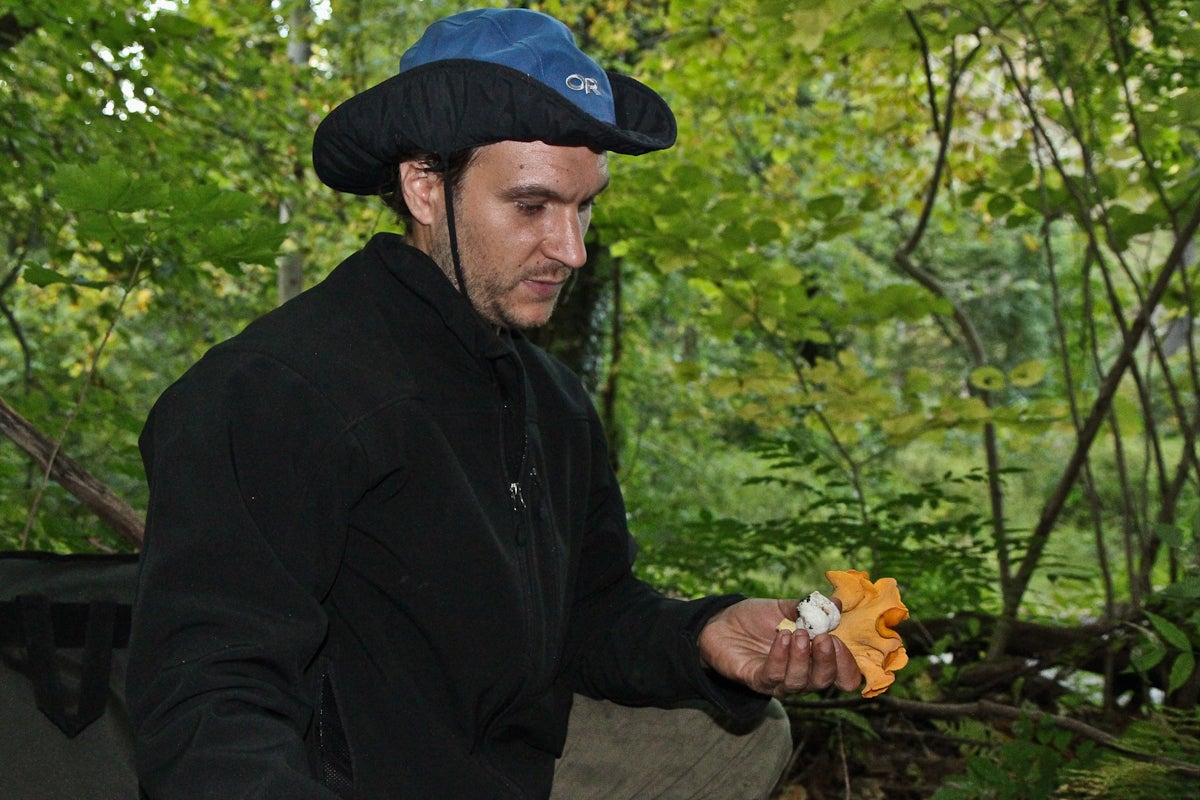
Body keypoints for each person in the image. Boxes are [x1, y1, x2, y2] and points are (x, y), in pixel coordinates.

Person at [126, 8, 862, 799]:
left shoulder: (553, 404)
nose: (572, 249)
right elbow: (207, 699)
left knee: (733, 740)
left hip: (507, 764)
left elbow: (590, 616)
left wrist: (701, 635)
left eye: (584, 207)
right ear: (423, 187)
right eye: (532, 206)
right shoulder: (275, 392)